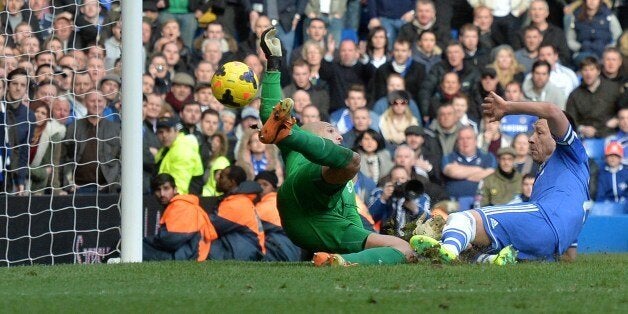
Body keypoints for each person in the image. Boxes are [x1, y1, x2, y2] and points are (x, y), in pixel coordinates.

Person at [257, 27, 416, 266]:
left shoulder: (338, 175)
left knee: (403, 246)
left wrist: (274, 63)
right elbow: (271, 111)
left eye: (338, 133)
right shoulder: (300, 141)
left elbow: (271, 117)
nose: (339, 136)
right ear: (309, 130)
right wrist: (273, 65)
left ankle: (336, 260)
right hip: (305, 194)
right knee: (352, 161)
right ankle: (343, 259)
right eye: (331, 130)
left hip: (311, 225)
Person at [411, 91, 591, 264]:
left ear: (559, 136)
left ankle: (447, 251)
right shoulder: (568, 179)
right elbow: (570, 256)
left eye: (539, 132)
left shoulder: (571, 151)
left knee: (461, 219)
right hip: (550, 246)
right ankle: (488, 260)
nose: (531, 139)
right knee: (473, 249)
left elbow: (552, 110)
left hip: (543, 221)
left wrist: (508, 107)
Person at [143, 173, 218, 262]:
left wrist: (148, 240)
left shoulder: (180, 206)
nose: (162, 194)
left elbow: (171, 240)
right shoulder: (181, 204)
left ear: (175, 189)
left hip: (189, 256)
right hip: (190, 253)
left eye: (166, 188)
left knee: (138, 246)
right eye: (158, 190)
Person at [63, 91, 120, 194]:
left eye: (100, 101)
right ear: (85, 102)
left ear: (105, 103)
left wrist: (114, 183)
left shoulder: (115, 129)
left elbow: (121, 159)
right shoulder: (74, 127)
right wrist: (68, 183)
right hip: (78, 189)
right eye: (92, 101)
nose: (96, 104)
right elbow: (64, 158)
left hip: (107, 189)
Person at [209, 165, 266, 261]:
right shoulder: (237, 199)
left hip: (248, 250)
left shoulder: (238, 203)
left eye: (222, 176)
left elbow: (211, 225)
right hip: (248, 247)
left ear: (232, 182)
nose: (217, 179)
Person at [566, 57, 622, 139]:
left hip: (610, 134)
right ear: (581, 73)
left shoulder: (613, 88)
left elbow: (623, 109)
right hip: (585, 136)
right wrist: (582, 128)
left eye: (592, 69)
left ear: (598, 71)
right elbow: (570, 119)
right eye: (585, 70)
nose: (588, 73)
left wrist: (617, 119)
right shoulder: (574, 95)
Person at [442, 125, 496, 210]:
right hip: (454, 204)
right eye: (461, 139)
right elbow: (453, 172)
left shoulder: (488, 157)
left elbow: (491, 174)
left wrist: (461, 170)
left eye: (468, 138)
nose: (465, 141)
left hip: (481, 204)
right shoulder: (449, 157)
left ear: (475, 141)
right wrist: (479, 170)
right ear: (457, 142)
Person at [255, 170, 303, 261]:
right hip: (295, 248)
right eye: (258, 184)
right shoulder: (283, 200)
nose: (261, 188)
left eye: (265, 184)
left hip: (279, 244)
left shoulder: (268, 203)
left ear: (273, 188)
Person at [154, 117, 204, 195]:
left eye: (168, 131)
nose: (164, 135)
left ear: (176, 131)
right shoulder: (166, 149)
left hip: (181, 201)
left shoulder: (183, 149)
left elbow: (180, 188)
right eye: (160, 132)